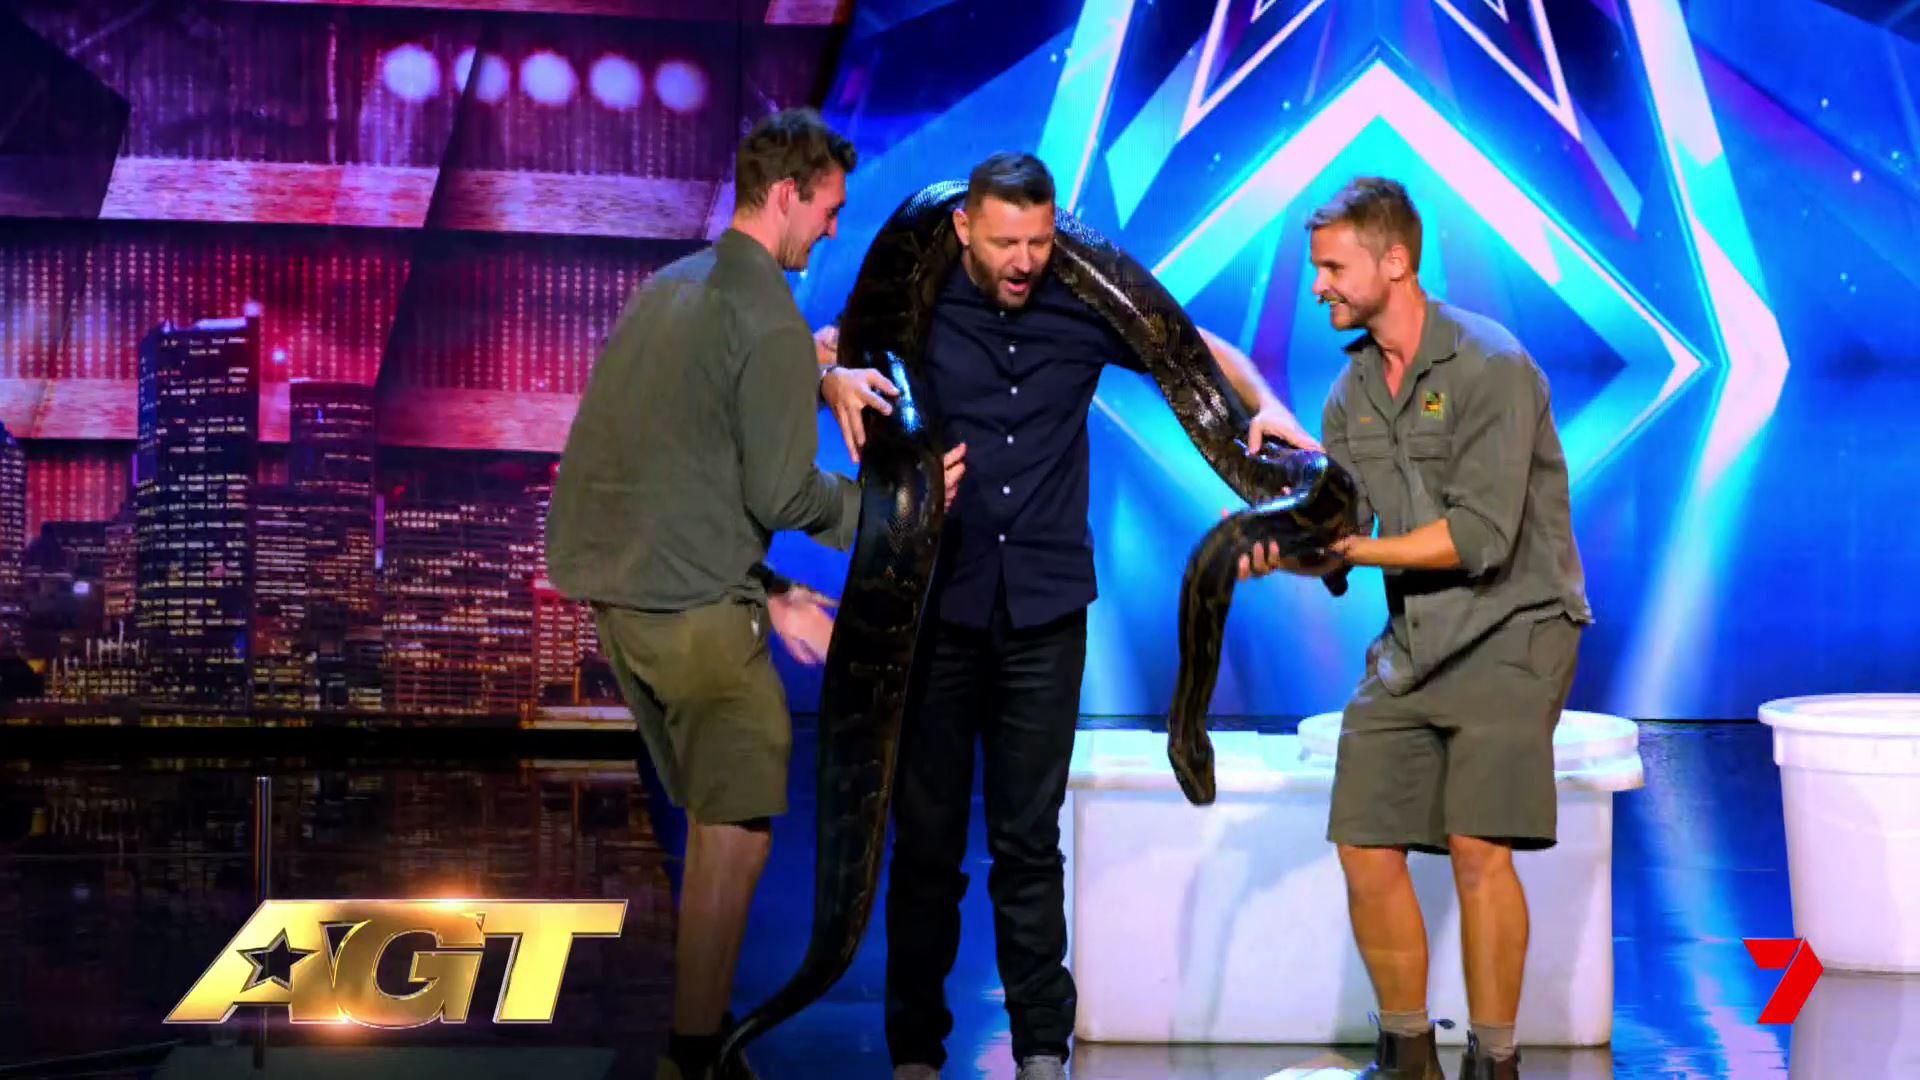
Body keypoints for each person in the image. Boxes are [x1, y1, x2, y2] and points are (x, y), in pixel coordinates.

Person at [819, 152, 1317, 1080]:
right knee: (926, 841)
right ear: (964, 228)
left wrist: (1267, 404)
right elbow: (831, 344)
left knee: (1027, 838)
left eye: (1039, 243)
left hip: (1045, 610)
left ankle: (1043, 1050)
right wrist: (830, 380)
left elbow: (1197, 348)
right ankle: (915, 1054)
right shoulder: (922, 297)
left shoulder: (1085, 302)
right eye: (1006, 242)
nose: (1024, 261)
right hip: (940, 606)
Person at [544, 107, 966, 1080]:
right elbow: (783, 494)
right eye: (827, 210)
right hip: (696, 612)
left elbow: (689, 432)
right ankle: (696, 1056)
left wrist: (816, 379)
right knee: (736, 830)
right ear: (785, 196)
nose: (833, 229)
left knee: (717, 817)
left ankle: (700, 1038)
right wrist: (901, 512)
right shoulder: (769, 314)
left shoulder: (671, 290)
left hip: (624, 601)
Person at [1240, 177, 1593, 1080]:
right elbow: (1345, 543)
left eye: (1332, 267)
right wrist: (1283, 545)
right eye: (1315, 267)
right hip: (1416, 642)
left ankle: (1495, 1062)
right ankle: (1407, 1056)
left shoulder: (1491, 365)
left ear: (1395, 262)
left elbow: (1480, 538)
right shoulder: (1349, 394)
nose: (1317, 284)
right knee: (1364, 838)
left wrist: (1353, 549)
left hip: (1515, 628)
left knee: (1478, 845)